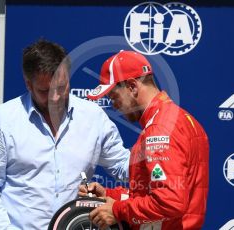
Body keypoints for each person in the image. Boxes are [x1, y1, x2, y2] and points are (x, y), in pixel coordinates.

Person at [0, 40, 130, 230]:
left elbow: (124, 167)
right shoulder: (2, 119)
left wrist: (162, 158)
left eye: (61, 87)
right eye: (45, 91)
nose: (55, 97)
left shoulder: (93, 117)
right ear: (28, 84)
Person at [79, 50, 209, 230]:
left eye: (114, 97)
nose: (114, 106)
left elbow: (169, 201)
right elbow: (154, 194)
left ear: (132, 86)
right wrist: (109, 195)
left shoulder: (159, 128)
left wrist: (117, 210)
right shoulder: (184, 119)